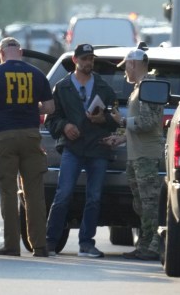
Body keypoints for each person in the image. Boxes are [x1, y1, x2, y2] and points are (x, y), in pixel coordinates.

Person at [0, 37, 55, 257]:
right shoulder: (37, 74)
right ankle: (39, 245)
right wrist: (29, 108)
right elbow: (49, 107)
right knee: (34, 192)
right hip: (31, 136)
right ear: (20, 51)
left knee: (8, 191)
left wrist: (0, 107)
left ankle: (11, 245)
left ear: (1, 53)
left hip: (5, 136)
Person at [44, 43, 119, 258]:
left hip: (98, 148)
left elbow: (115, 120)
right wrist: (65, 127)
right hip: (73, 148)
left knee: (94, 197)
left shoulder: (104, 88)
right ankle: (50, 241)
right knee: (63, 194)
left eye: (91, 59)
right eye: (84, 59)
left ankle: (86, 243)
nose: (88, 63)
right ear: (75, 61)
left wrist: (102, 118)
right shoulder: (62, 86)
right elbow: (51, 118)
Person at [106, 47, 164, 261]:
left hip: (146, 156)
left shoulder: (149, 87)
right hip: (137, 155)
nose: (125, 73)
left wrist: (121, 122)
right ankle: (145, 243)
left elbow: (148, 123)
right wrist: (121, 138)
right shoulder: (140, 88)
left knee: (149, 203)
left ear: (133, 64)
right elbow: (140, 123)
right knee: (141, 203)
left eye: (126, 67)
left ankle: (153, 245)